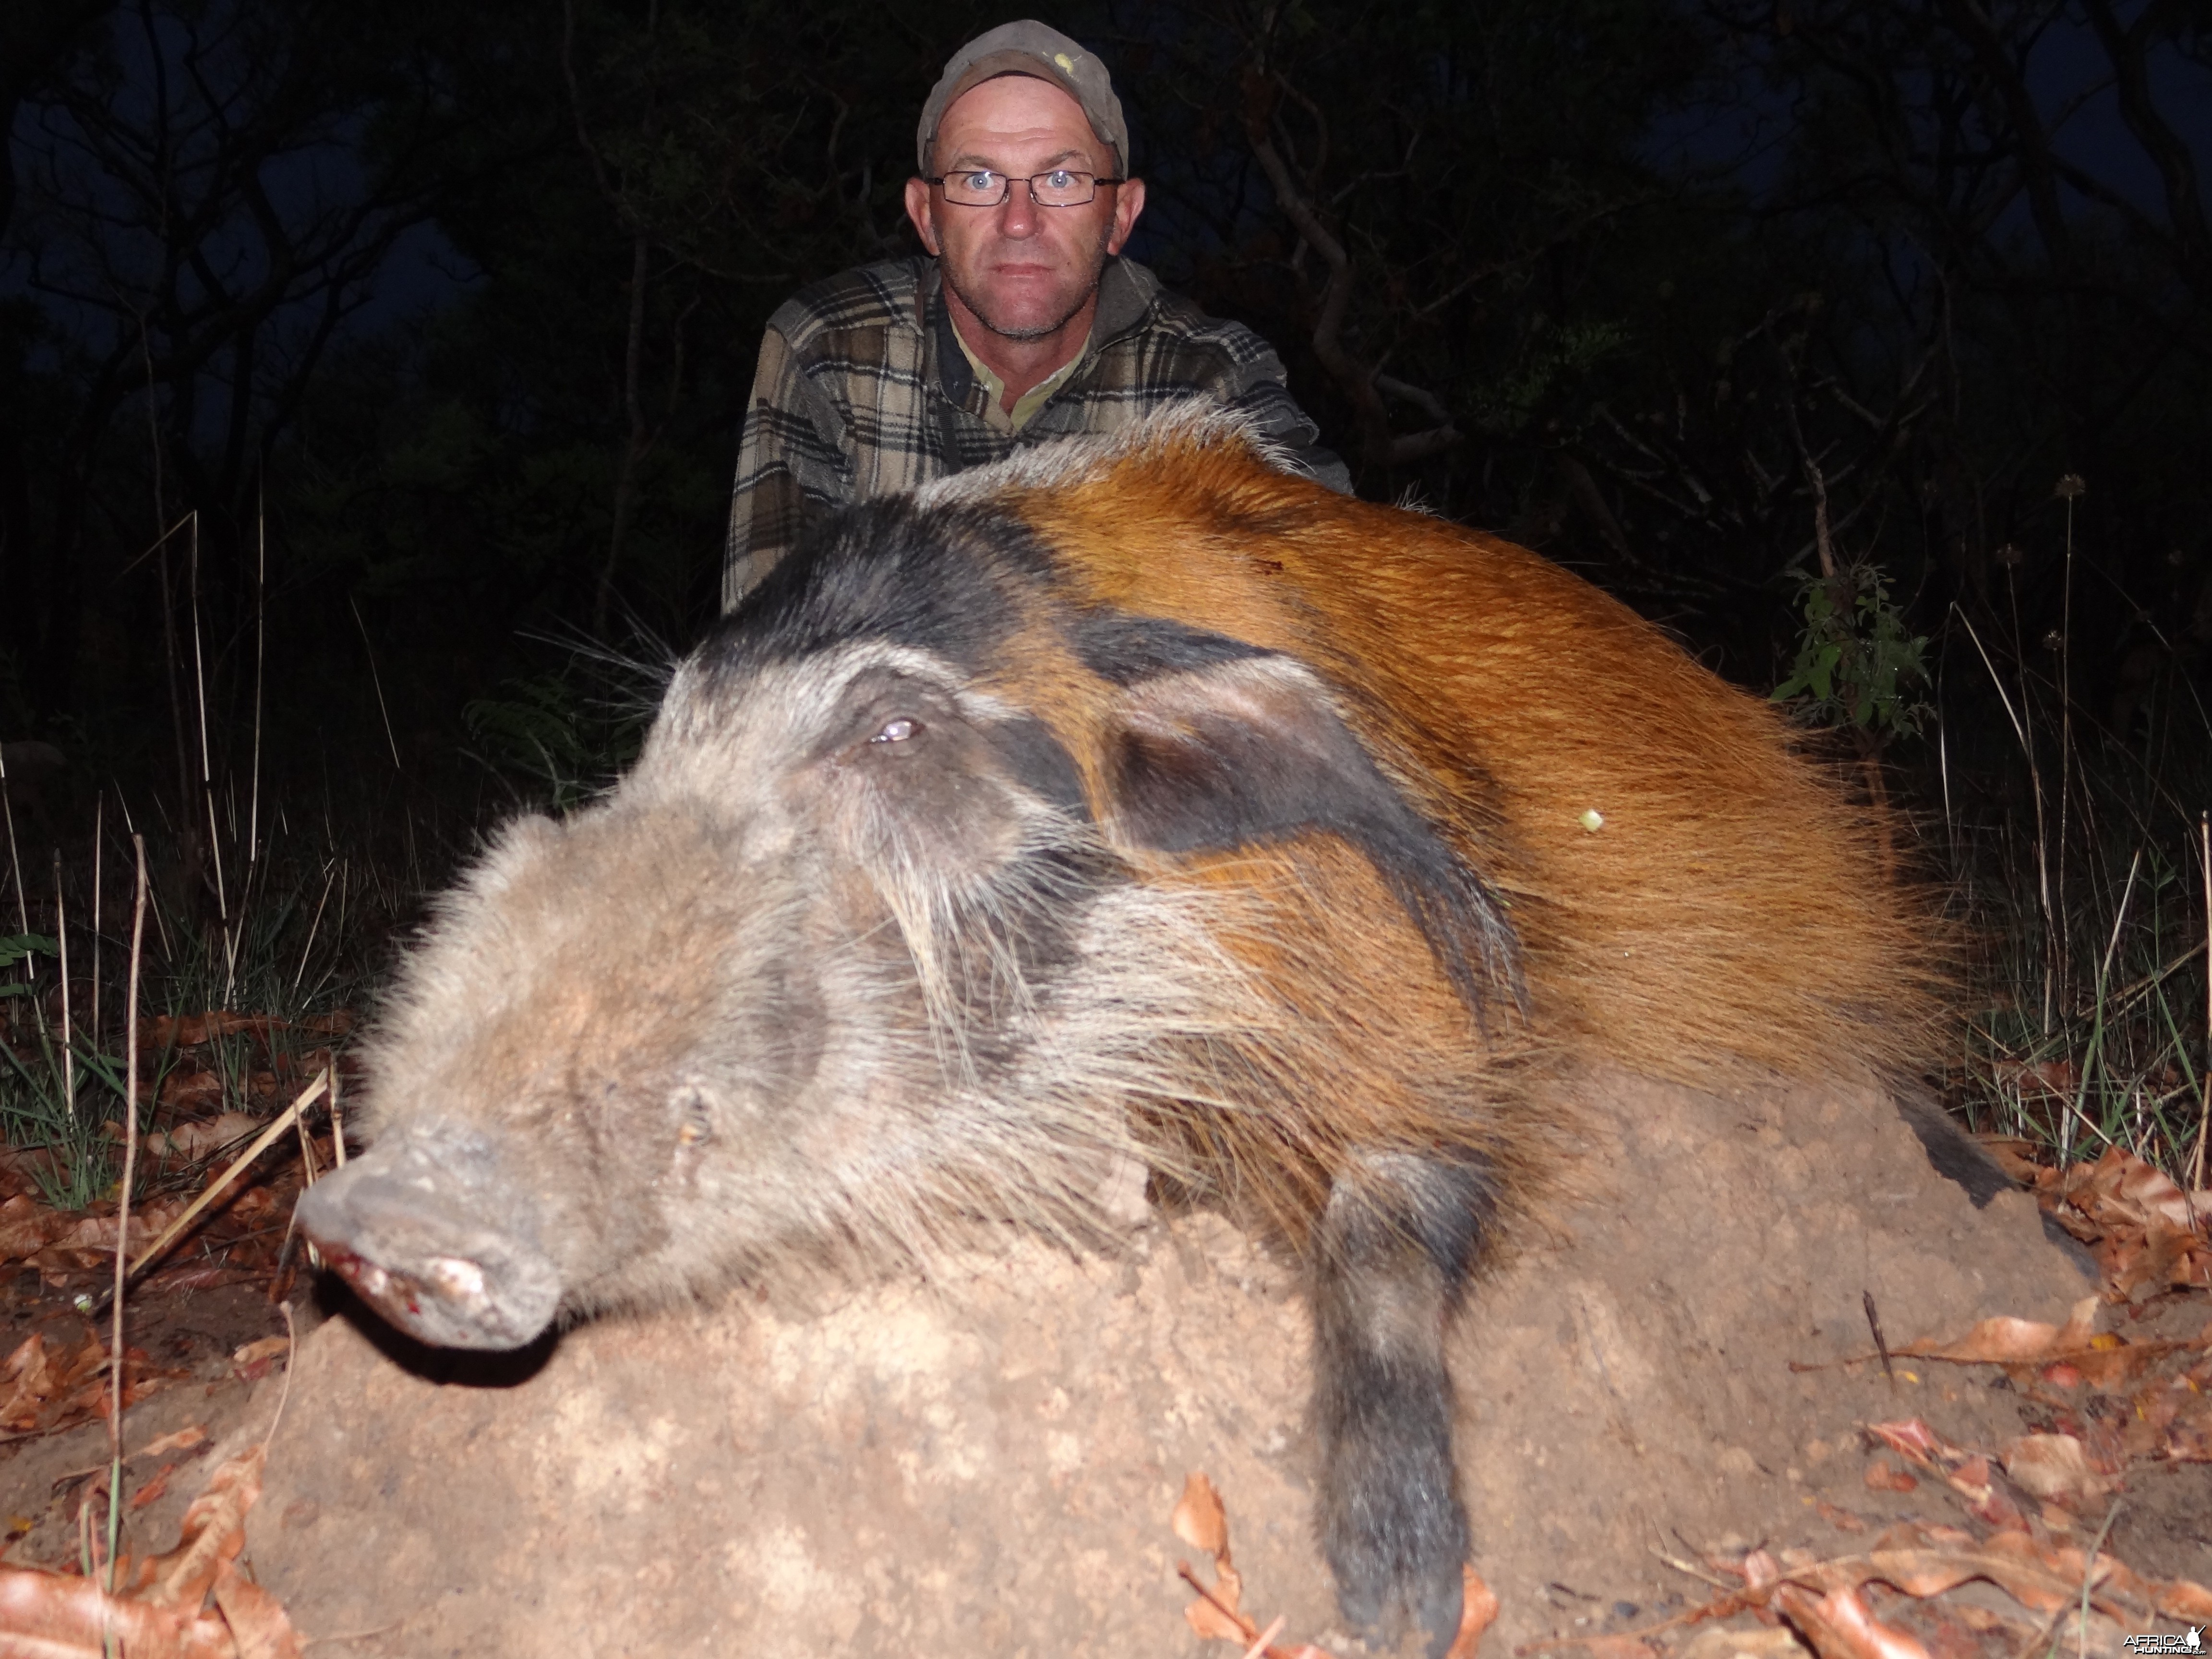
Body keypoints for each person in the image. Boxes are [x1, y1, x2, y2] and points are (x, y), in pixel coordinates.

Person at [721, 19, 1348, 610]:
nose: (1019, 221)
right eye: (978, 180)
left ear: (1121, 217)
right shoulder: (826, 351)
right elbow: (766, 659)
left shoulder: (1213, 379)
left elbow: (1348, 596)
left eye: (1061, 179)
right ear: (926, 217)